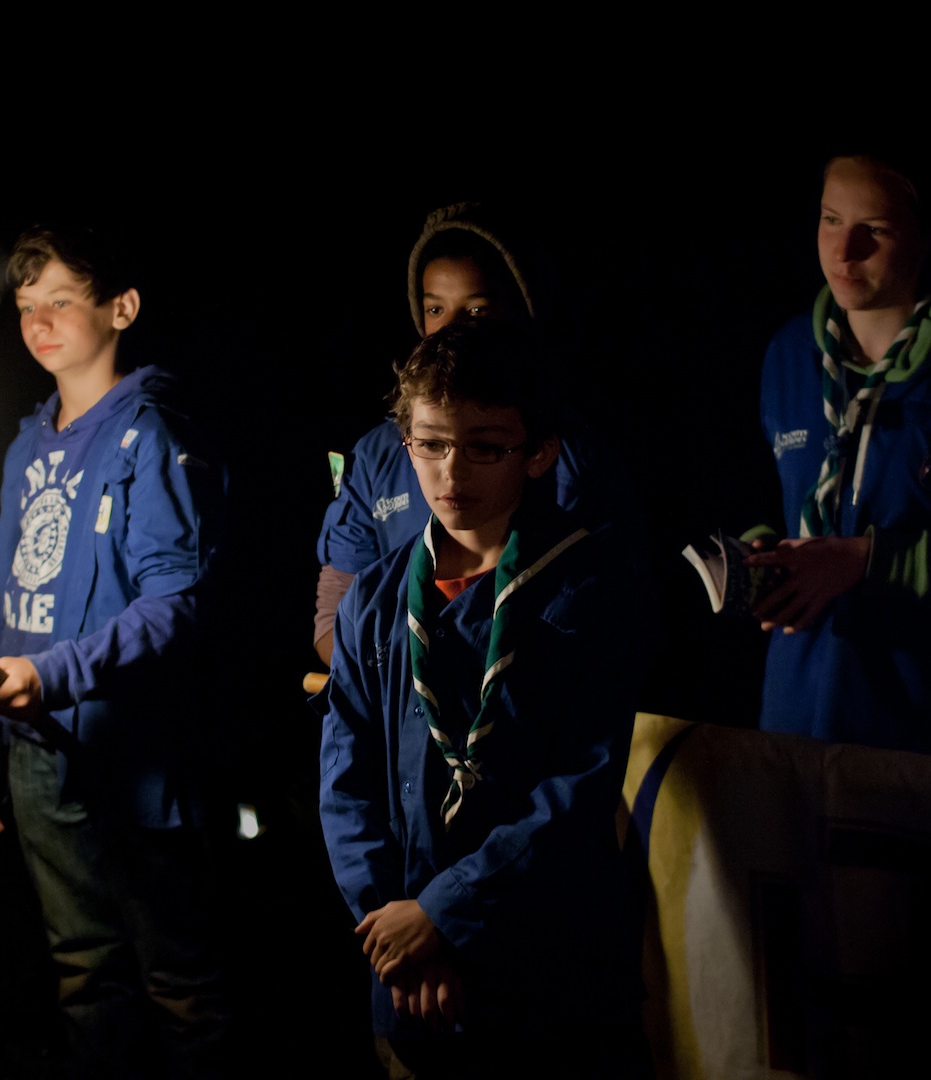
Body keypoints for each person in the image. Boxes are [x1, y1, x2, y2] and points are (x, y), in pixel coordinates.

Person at [318, 319, 654, 1077]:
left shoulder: (589, 589)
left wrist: (445, 916)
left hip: (544, 974)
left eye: (485, 446)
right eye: (430, 444)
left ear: (539, 454)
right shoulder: (374, 601)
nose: (450, 472)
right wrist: (394, 934)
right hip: (404, 979)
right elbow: (346, 786)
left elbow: (578, 786)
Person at [0, 224, 232, 1077]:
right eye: (26, 307)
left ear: (123, 307)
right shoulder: (25, 447)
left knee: (180, 980)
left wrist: (59, 674)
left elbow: (176, 606)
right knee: (83, 973)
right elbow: (9, 603)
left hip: (133, 756)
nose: (38, 322)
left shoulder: (150, 435)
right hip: (38, 757)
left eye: (61, 302)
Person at [744, 151, 931, 765]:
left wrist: (868, 561)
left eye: (874, 230)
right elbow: (765, 499)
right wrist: (757, 559)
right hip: (793, 723)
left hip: (925, 738)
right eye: (830, 219)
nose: (843, 250)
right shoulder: (788, 353)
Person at [312, 202, 598, 667]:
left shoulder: (569, 454)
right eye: (435, 308)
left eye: (478, 308)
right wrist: (393, 689)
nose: (454, 328)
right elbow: (337, 617)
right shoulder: (378, 455)